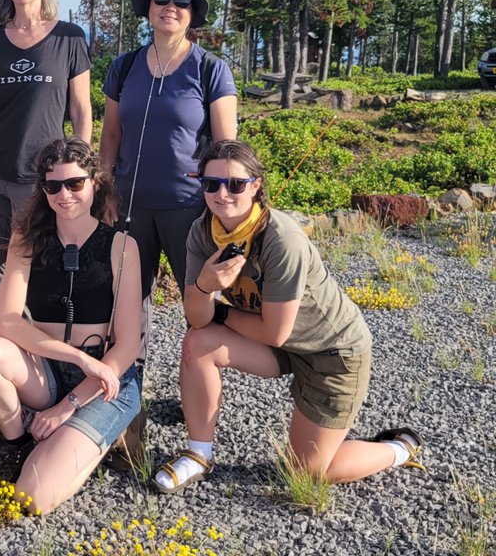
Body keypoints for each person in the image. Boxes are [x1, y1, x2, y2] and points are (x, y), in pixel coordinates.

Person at [151, 139, 423, 493]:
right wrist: (204, 286)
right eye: (211, 183)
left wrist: (216, 310)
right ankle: (199, 454)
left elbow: (275, 331)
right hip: (281, 343)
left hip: (333, 352)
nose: (223, 194)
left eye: (236, 184)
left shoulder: (281, 239)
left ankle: (399, 448)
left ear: (256, 185)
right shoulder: (203, 232)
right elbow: (197, 317)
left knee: (308, 473)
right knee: (198, 342)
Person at [0, 139, 142, 514]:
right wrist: (76, 358)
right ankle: (19, 444)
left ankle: (88, 435)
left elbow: (127, 345)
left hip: (103, 380)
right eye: (53, 186)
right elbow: (7, 321)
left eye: (75, 183)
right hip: (48, 367)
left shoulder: (122, 247)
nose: (64, 195)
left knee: (32, 498)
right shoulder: (26, 239)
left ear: (95, 182)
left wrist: (71, 403)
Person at [98, 0, 237, 301]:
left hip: (190, 208)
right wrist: (104, 191)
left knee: (202, 300)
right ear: (148, 6)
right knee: (125, 302)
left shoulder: (210, 70)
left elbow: (227, 149)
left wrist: (221, 203)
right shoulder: (124, 67)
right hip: (130, 206)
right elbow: (111, 136)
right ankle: (130, 356)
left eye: (182, 1)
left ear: (192, 13)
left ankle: (204, 356)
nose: (170, 7)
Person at [0, 0, 92, 297]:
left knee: (44, 262)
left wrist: (81, 170)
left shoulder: (69, 37)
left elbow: (81, 109)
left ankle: (45, 344)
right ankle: (8, 341)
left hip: (44, 176)